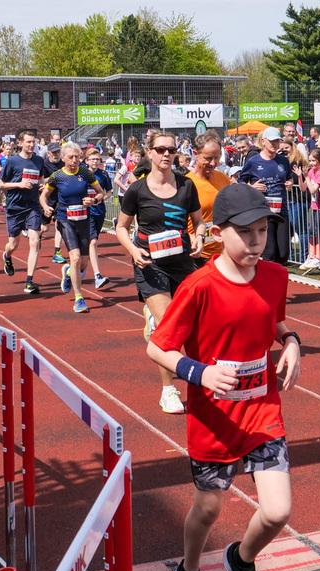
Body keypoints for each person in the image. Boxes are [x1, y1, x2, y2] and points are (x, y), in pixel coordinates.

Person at [147, 183, 300, 571]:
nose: (256, 242)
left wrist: (291, 342)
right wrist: (199, 373)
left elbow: (275, 321)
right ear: (218, 232)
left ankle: (242, 559)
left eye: (262, 232)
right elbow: (159, 348)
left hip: (262, 413)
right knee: (208, 509)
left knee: (277, 511)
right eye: (246, 233)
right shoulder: (198, 286)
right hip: (213, 419)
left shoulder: (274, 276)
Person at [116, 131, 205, 414]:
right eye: (161, 149)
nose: (167, 154)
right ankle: (168, 390)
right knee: (169, 328)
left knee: (195, 324)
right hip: (150, 264)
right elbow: (120, 227)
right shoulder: (137, 190)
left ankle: (197, 376)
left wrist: (200, 237)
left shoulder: (186, 186)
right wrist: (133, 250)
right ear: (149, 153)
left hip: (182, 263)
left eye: (171, 150)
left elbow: (198, 222)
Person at [40, 143, 106, 313]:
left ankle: (69, 273)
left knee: (84, 262)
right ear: (63, 158)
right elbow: (43, 196)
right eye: (71, 157)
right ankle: (79, 298)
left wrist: (94, 200)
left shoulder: (85, 173)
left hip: (84, 219)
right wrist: (46, 207)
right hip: (65, 220)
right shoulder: (57, 176)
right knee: (75, 257)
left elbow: (101, 192)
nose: (74, 160)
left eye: (77, 157)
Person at [0, 130, 46, 294]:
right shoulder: (12, 161)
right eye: (28, 142)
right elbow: (0, 185)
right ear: (20, 143)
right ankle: (7, 255)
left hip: (32, 206)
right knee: (13, 244)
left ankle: (29, 281)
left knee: (34, 241)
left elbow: (41, 179)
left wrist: (42, 185)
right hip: (15, 207)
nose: (31, 145)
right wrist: (18, 185)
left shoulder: (39, 161)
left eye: (33, 142)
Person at [239, 127, 292, 264]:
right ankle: (267, 282)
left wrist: (290, 183)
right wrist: (252, 187)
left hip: (281, 210)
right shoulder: (253, 161)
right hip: (263, 212)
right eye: (272, 141)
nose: (275, 144)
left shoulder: (283, 161)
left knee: (283, 253)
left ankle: (277, 280)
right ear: (263, 141)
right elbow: (240, 182)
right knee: (270, 252)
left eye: (277, 141)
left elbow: (289, 177)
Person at [186, 132, 231, 266]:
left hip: (221, 253)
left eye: (217, 158)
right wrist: (193, 239)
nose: (213, 163)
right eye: (208, 158)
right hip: (196, 254)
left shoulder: (223, 179)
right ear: (196, 153)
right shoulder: (186, 183)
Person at [84, 148, 113, 289]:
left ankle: (77, 270)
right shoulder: (82, 174)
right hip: (85, 212)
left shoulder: (104, 174)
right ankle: (97, 276)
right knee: (93, 241)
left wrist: (101, 199)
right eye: (93, 159)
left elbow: (109, 191)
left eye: (97, 159)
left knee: (89, 244)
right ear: (87, 161)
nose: (95, 161)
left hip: (99, 211)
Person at [297, 148, 320, 270]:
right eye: (310, 160)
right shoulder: (311, 171)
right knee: (311, 230)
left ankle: (318, 257)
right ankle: (311, 256)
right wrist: (301, 177)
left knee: (317, 230)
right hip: (314, 205)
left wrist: (307, 177)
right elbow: (303, 188)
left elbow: (313, 190)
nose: (311, 163)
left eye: (314, 160)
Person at [42, 143, 66, 264]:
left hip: (60, 199)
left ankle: (57, 252)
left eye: (58, 152)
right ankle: (37, 235)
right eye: (54, 152)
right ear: (48, 153)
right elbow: (41, 180)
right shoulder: (44, 164)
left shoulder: (63, 163)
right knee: (45, 228)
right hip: (47, 199)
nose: (56, 154)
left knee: (59, 225)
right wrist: (53, 177)